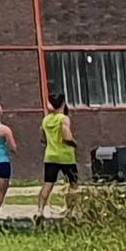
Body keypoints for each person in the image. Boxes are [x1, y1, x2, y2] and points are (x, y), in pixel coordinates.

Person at [36, 93, 78, 222]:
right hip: (66, 156)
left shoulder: (46, 119)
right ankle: (70, 211)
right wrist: (74, 143)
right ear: (62, 104)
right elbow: (66, 136)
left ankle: (40, 211)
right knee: (73, 183)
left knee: (48, 183)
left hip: (50, 155)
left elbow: (43, 139)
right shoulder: (63, 118)